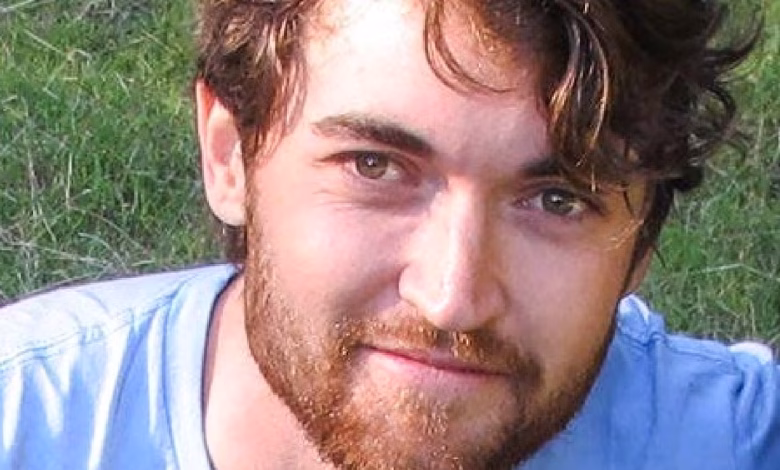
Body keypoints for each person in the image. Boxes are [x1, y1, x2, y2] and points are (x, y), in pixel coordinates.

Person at [1, 0, 777, 468]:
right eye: (374, 166)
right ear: (229, 155)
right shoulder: (24, 426)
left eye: (557, 200)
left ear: (642, 243)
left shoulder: (735, 443)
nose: (452, 298)